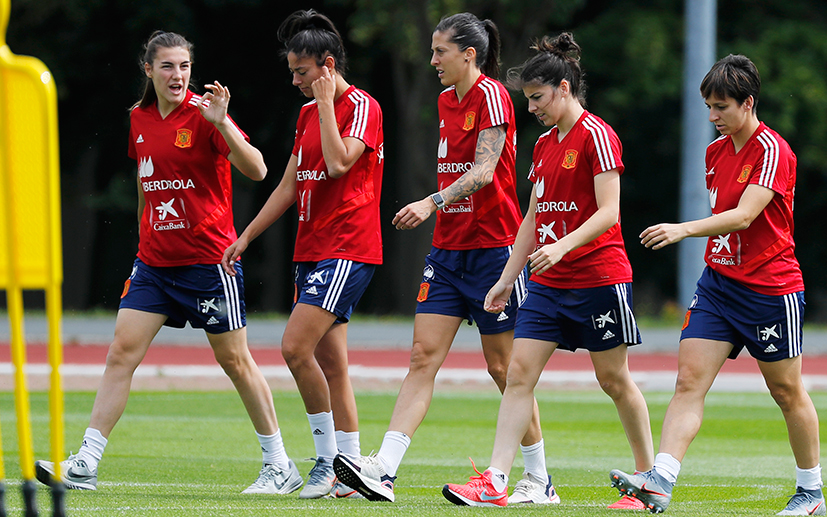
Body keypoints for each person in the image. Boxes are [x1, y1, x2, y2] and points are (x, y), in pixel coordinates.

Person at [33, 30, 300, 495]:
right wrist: (143, 244)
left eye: (184, 66)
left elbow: (257, 168)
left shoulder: (206, 114)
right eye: (168, 66)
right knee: (121, 353)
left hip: (207, 264)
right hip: (154, 265)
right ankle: (85, 463)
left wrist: (221, 123)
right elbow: (144, 184)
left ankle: (280, 465)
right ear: (148, 69)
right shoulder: (137, 118)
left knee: (235, 361)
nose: (177, 75)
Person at [334, 12, 555, 505]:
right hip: (448, 252)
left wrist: (430, 201)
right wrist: (439, 212)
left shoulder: (493, 96)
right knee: (421, 358)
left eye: (440, 52)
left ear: (468, 55)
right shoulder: (442, 100)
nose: (432, 60)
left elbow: (483, 170)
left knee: (505, 371)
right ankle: (384, 469)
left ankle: (539, 479)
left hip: (495, 250)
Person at [439, 32, 654, 508]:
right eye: (527, 99)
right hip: (548, 285)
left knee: (613, 380)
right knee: (518, 374)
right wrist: (505, 279)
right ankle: (496, 479)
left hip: (599, 277)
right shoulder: (541, 146)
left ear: (563, 88)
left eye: (537, 98)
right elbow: (533, 222)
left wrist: (564, 248)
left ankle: (647, 481)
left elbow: (609, 212)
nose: (531, 107)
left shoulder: (596, 135)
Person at [609, 54, 825, 516]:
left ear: (748, 104)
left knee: (787, 392)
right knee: (688, 381)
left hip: (770, 288)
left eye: (721, 107)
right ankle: (661, 481)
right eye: (708, 106)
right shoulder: (714, 152)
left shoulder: (772, 150)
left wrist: (684, 229)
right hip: (719, 286)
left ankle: (811, 493)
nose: (712, 117)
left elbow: (746, 215)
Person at [221, 9, 384, 500]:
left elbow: (336, 164)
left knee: (295, 349)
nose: (295, 80)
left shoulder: (361, 107)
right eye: (292, 71)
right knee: (332, 365)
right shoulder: (307, 113)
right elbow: (292, 182)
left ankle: (326, 462)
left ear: (327, 66)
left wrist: (328, 104)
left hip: (348, 248)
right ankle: (353, 469)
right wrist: (247, 234)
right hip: (311, 250)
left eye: (302, 71)